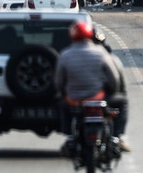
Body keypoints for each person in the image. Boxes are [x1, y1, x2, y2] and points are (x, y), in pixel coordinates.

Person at [54, 21, 130, 152]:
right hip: (97, 97)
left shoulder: (65, 55)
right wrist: (113, 90)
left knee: (62, 104)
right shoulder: (101, 53)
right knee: (122, 102)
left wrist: (63, 93)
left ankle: (70, 136)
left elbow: (59, 81)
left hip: (74, 99)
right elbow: (114, 79)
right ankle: (116, 136)